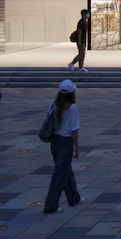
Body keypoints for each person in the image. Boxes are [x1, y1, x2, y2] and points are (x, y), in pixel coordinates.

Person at [43, 80, 82, 212]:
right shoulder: (72, 108)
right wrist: (76, 148)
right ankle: (51, 205)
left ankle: (74, 197)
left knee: (65, 170)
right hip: (65, 142)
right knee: (60, 174)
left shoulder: (53, 105)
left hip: (55, 141)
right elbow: (74, 130)